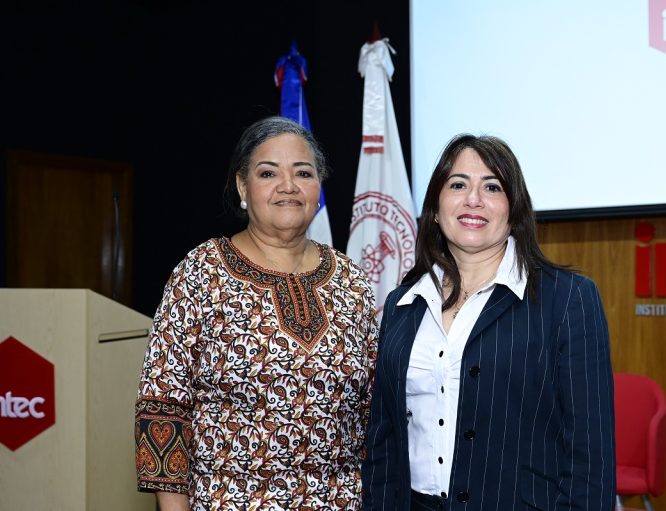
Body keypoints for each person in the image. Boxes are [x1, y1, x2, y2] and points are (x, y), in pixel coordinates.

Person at [135, 116, 379, 511]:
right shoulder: (200, 273)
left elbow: (373, 411)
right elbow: (162, 408)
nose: (288, 185)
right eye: (269, 173)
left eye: (303, 172)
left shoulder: (351, 281)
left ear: (319, 186)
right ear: (242, 186)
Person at [362, 134, 615, 510]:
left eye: (492, 186)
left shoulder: (567, 299)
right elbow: (383, 442)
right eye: (458, 184)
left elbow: (590, 458)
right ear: (435, 209)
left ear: (514, 211)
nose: (473, 199)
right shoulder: (403, 305)